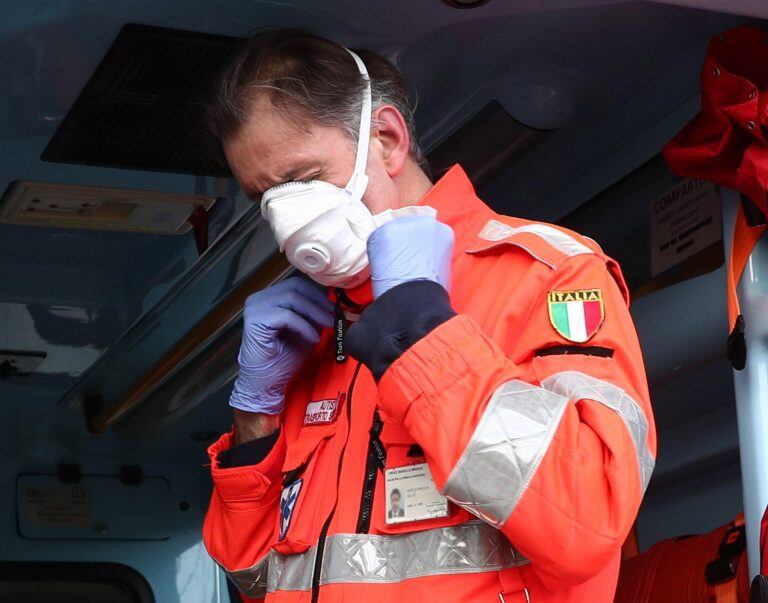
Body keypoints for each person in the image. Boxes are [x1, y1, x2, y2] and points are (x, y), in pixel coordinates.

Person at [201, 28, 656, 603]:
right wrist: (254, 420)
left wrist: (420, 335)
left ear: (387, 140)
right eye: (264, 197)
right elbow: (254, 579)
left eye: (304, 179)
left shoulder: (548, 272)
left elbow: (588, 519)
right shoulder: (309, 333)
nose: (287, 221)